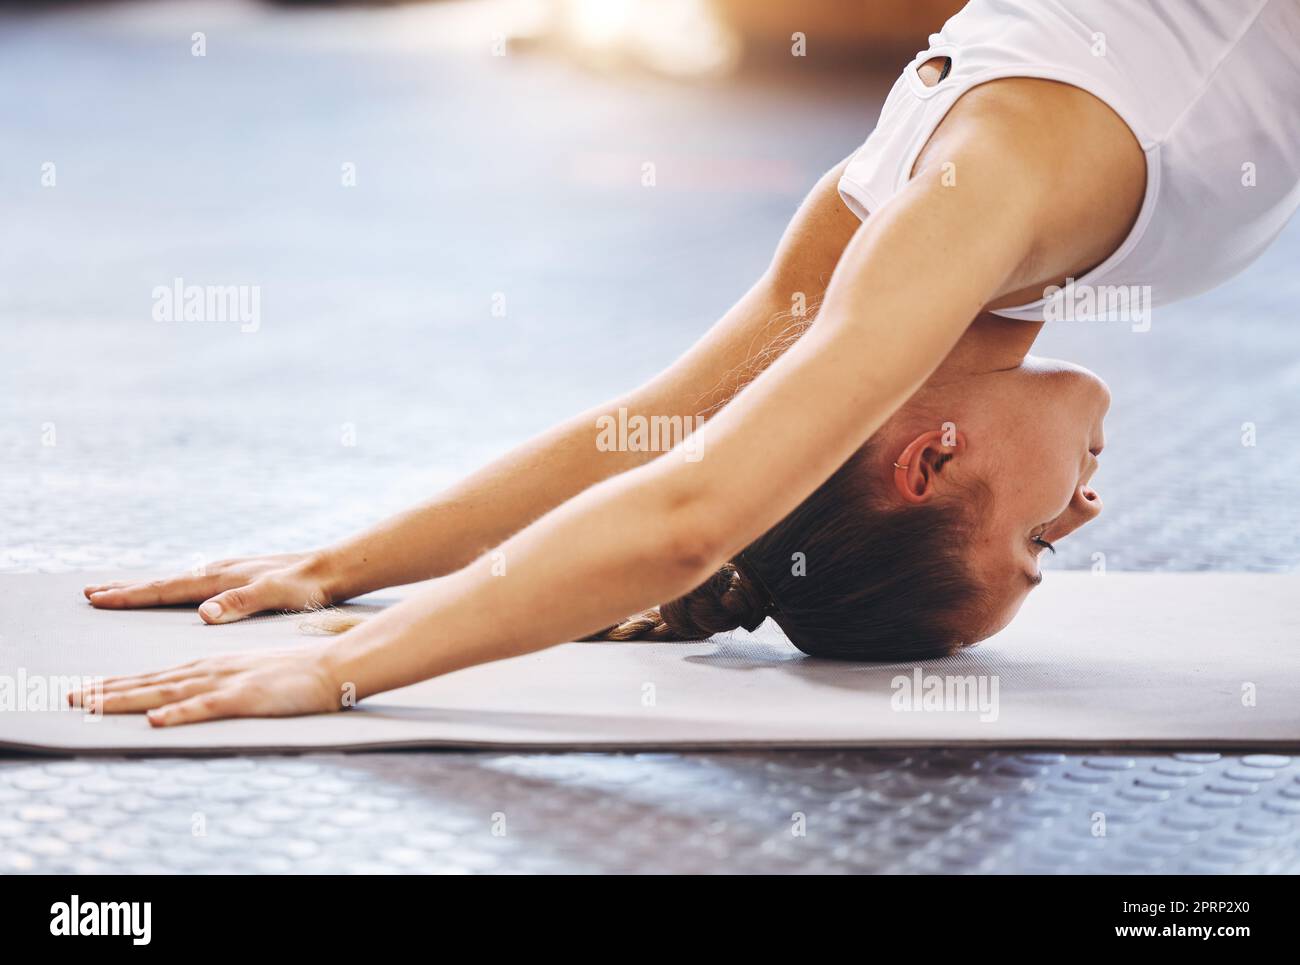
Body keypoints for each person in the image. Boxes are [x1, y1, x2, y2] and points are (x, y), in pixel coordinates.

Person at [74, 0, 1300, 725]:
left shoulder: (949, 218)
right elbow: (660, 435)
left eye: (1040, 541)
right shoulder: (908, 221)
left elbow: (679, 488)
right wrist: (342, 571)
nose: (1087, 508)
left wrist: (342, 634)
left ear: (931, 459)